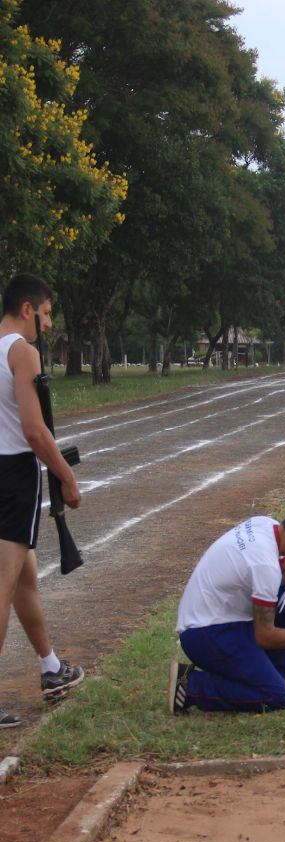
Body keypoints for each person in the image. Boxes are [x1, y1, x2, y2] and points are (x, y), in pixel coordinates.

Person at [0, 274, 85, 726]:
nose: (48, 323)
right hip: (12, 473)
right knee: (2, 584)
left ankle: (51, 668)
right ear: (28, 309)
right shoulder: (22, 351)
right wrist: (66, 476)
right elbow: (34, 430)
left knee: (22, 579)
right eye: (47, 312)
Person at [168, 503, 285, 714]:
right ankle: (191, 686)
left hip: (214, 617)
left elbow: (261, 557)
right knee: (275, 697)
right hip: (204, 633)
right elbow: (264, 637)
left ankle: (269, 680)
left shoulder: (266, 524)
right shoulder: (265, 567)